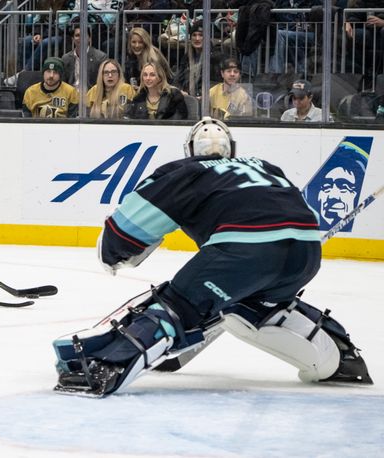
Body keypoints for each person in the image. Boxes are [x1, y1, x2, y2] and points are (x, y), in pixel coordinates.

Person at [53, 117, 373, 397]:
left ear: (190, 150)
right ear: (231, 147)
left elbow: (123, 234)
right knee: (250, 303)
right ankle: (340, 359)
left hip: (244, 252)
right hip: (305, 254)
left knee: (177, 306)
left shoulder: (187, 171)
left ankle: (105, 367)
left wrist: (113, 257)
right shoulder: (263, 166)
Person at [61, 23, 107, 88]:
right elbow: (63, 83)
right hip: (71, 95)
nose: (81, 38)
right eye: (77, 35)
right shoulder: (65, 58)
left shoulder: (100, 57)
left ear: (89, 38)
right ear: (73, 39)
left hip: (92, 95)